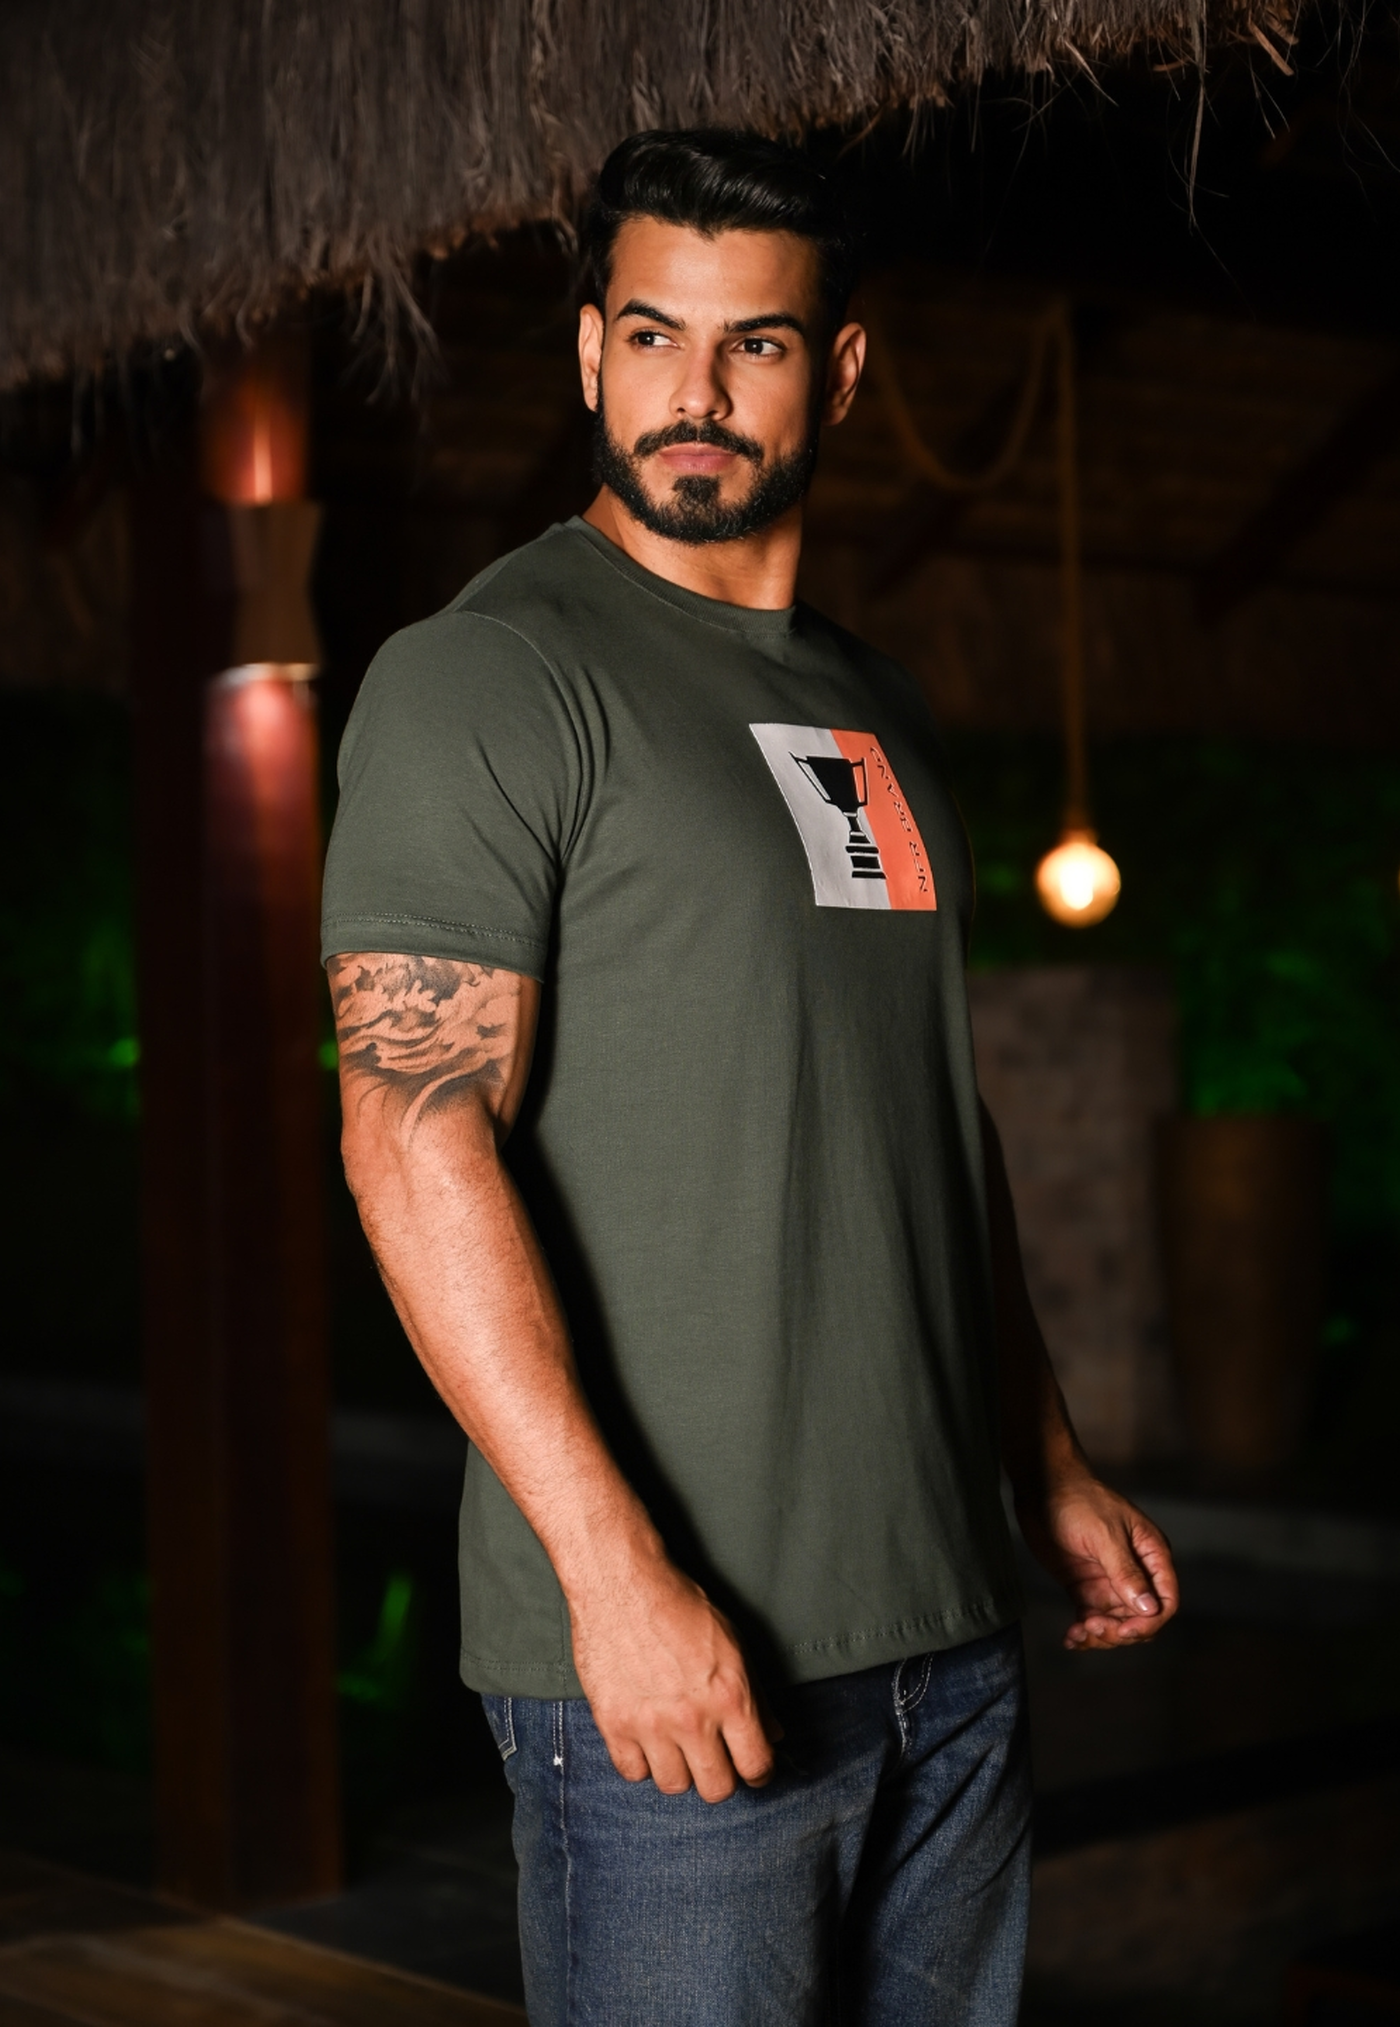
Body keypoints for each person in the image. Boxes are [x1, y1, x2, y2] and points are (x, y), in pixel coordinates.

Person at [320, 128, 1179, 2027]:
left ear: (839, 370)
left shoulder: (879, 709)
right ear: (589, 351)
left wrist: (1039, 1462)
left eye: (755, 343)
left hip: (950, 1639)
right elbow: (411, 1129)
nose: (694, 391)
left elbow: (927, 1121)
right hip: (675, 1671)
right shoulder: (493, 677)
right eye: (652, 334)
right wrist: (614, 1574)